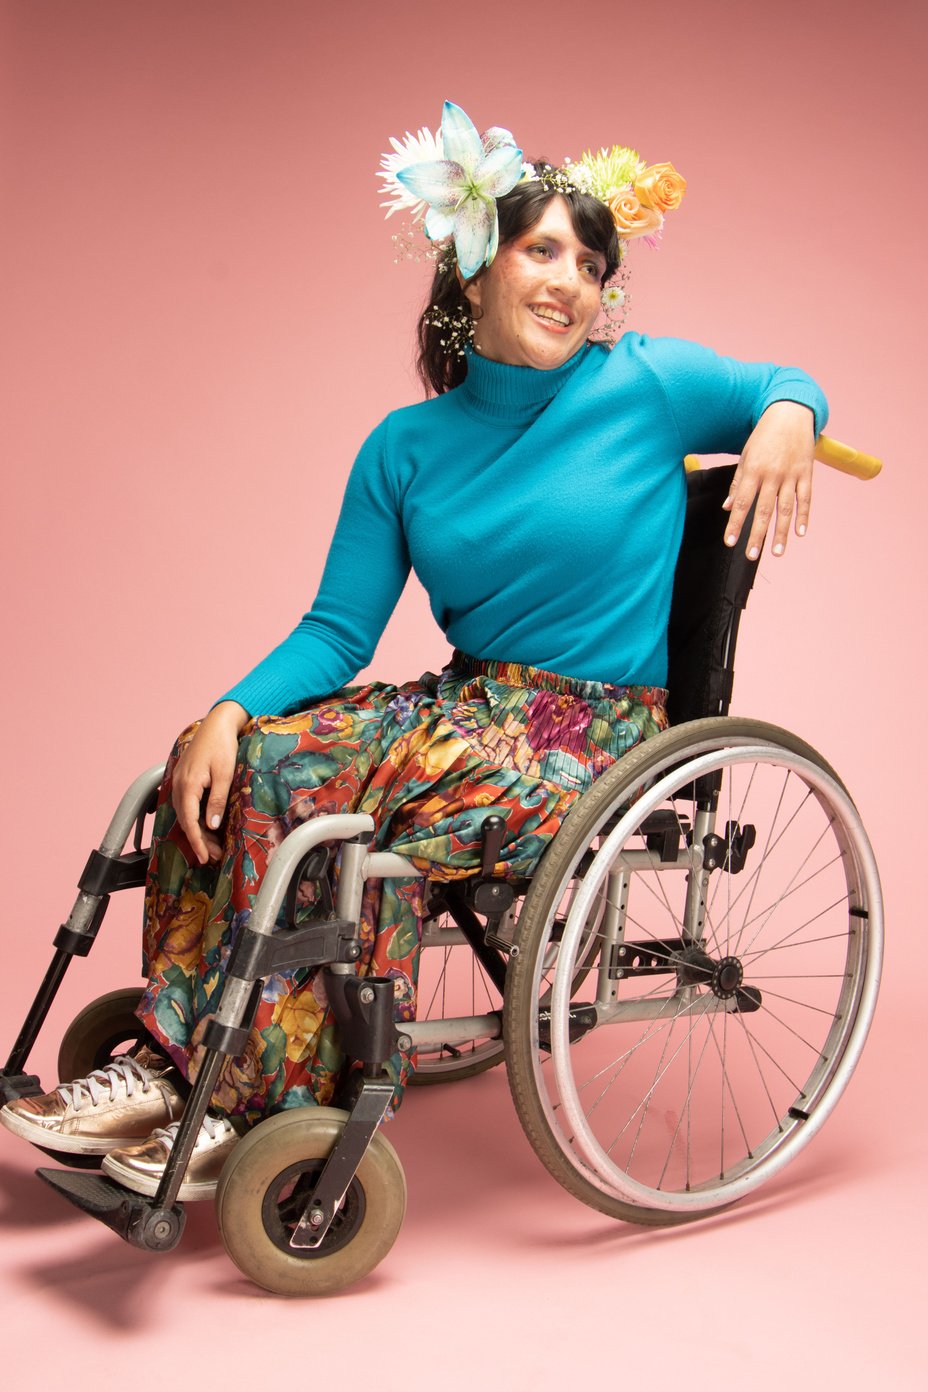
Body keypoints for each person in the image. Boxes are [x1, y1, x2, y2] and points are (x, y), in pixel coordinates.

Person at [0, 102, 826, 1199]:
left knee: (308, 786)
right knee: (231, 756)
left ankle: (237, 1092)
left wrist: (783, 418)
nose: (571, 282)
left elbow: (788, 380)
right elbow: (339, 630)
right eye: (543, 251)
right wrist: (224, 710)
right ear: (475, 268)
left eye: (591, 264)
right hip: (463, 710)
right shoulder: (404, 447)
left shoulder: (646, 384)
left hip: (590, 742)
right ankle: (180, 1057)